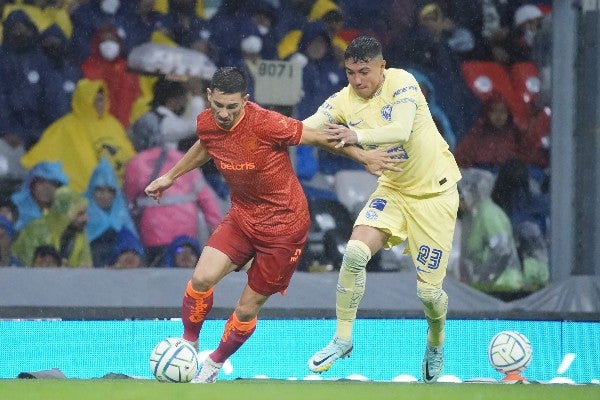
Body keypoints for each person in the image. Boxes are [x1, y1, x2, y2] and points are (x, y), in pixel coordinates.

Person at [143, 67, 401, 383]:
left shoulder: (266, 123)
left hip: (284, 228)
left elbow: (320, 138)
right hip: (242, 216)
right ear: (209, 97)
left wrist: (364, 157)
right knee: (201, 279)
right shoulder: (208, 123)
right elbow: (206, 145)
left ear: (245, 101)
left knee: (247, 307)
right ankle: (189, 344)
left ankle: (211, 365)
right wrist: (170, 176)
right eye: (218, 106)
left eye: (232, 107)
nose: (223, 114)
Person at [303, 35, 461, 383]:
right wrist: (262, 129)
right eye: (350, 73)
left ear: (382, 67)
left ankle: (436, 341)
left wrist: (354, 137)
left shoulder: (402, 82)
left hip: (434, 196)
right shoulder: (343, 100)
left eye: (364, 71)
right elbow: (305, 129)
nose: (357, 80)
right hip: (394, 189)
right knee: (355, 251)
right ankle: (342, 338)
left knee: (429, 294)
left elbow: (402, 130)